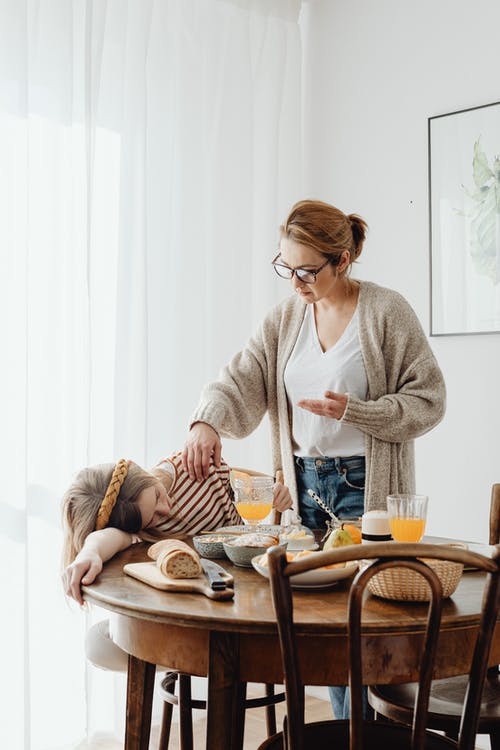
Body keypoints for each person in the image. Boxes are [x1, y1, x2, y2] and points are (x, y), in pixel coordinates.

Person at [182, 198, 446, 718]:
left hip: (364, 488)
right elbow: (242, 376)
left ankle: (360, 736)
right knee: (316, 627)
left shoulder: (387, 312)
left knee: (361, 628)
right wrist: (206, 420)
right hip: (300, 489)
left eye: (307, 270)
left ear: (343, 260)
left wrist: (360, 412)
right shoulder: (286, 319)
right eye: (286, 267)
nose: (295, 282)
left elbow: (429, 399)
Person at [62, 451, 291, 669]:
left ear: (137, 468)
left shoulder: (191, 466)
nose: (165, 508)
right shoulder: (134, 522)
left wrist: (276, 493)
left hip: (248, 600)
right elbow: (109, 537)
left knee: (104, 642)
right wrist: (89, 552)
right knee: (98, 642)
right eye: (152, 517)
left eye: (157, 496)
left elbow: (249, 488)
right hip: (197, 609)